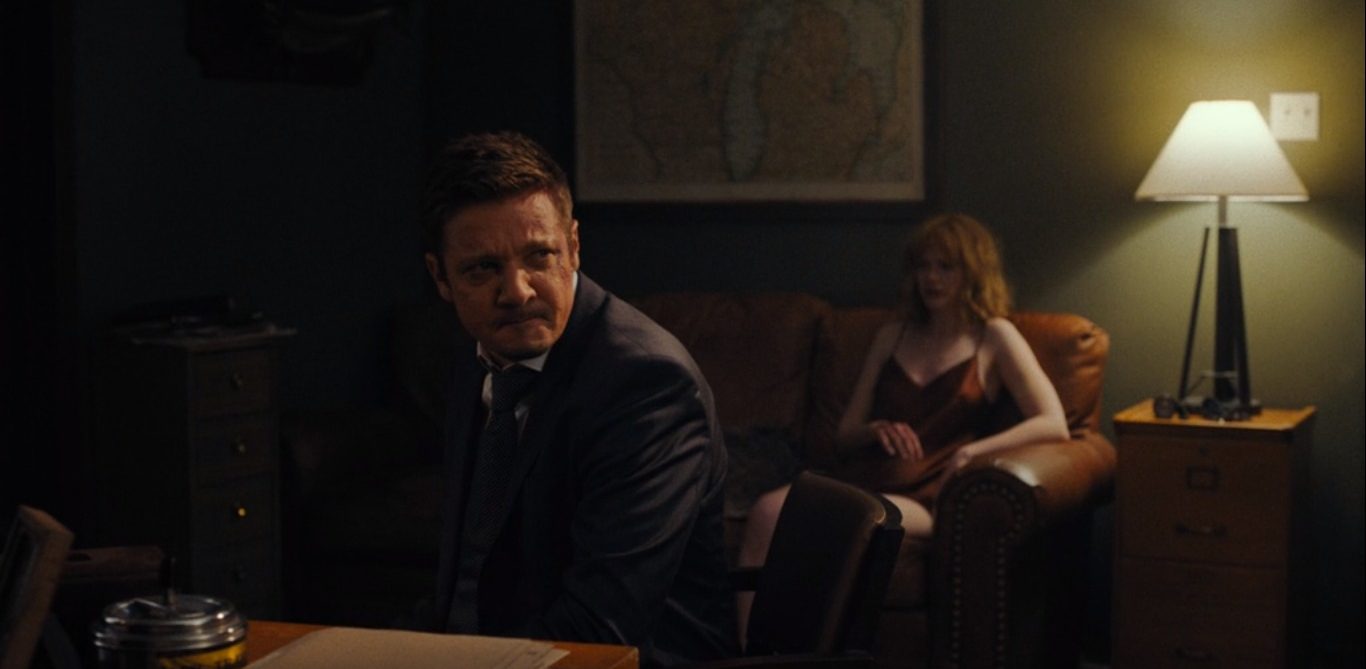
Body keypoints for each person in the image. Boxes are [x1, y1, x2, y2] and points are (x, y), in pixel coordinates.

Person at [421, 131, 735, 666]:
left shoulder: (646, 383)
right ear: (441, 277)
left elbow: (600, 629)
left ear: (573, 247)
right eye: (483, 268)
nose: (517, 291)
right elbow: (467, 581)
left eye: (539, 256)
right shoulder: (482, 354)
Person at [733, 212, 1069, 642]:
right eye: (923, 266)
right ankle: (749, 652)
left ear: (973, 272)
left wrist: (972, 451)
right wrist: (875, 429)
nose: (932, 278)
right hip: (863, 474)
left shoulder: (993, 335)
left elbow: (1053, 423)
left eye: (946, 267)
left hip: (923, 494)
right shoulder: (893, 335)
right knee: (766, 510)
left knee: (853, 521)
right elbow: (845, 435)